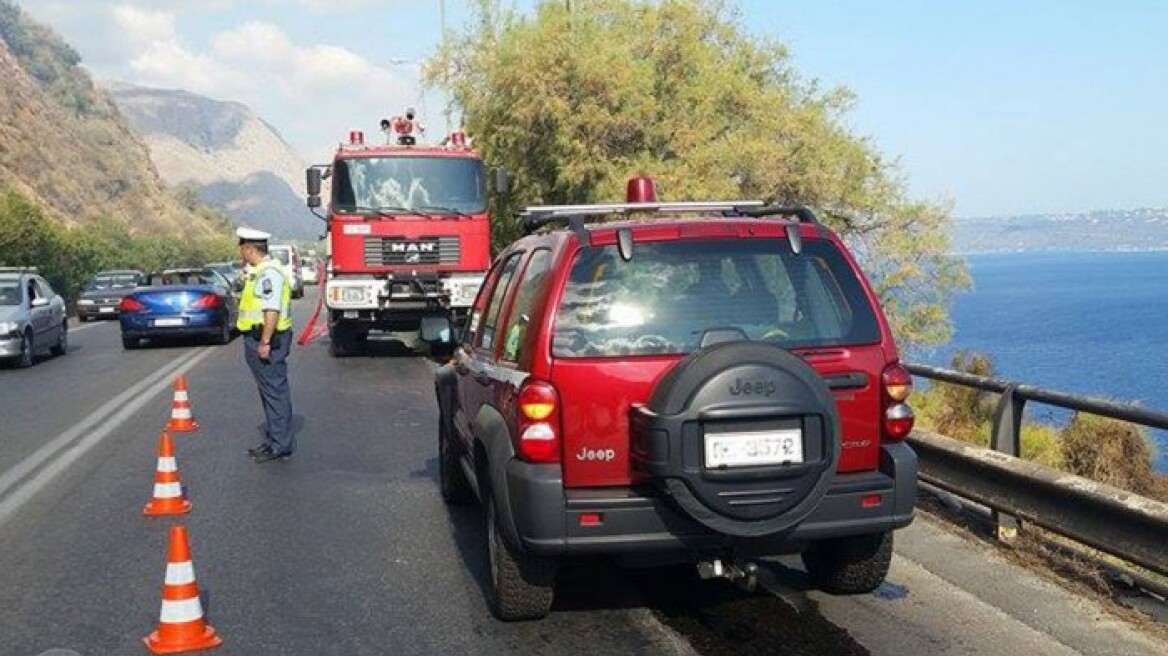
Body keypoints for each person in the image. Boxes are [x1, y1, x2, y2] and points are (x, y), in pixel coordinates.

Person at [236, 227, 296, 463]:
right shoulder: (260, 272)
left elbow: (271, 310)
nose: (240, 252)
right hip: (260, 337)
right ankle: (274, 440)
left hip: (267, 339)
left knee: (274, 392)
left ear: (250, 248)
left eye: (242, 248)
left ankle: (280, 444)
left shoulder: (268, 274)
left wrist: (265, 341)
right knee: (268, 391)